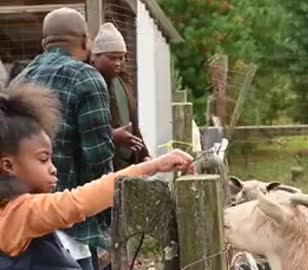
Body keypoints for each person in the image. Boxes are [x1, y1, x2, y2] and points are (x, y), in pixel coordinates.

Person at [0, 84, 195, 269]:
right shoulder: (20, 212)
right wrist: (152, 166)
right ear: (8, 166)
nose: (53, 169)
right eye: (43, 160)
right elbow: (79, 201)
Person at [7, 8, 116, 270]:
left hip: (27, 220)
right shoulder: (86, 76)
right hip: (76, 218)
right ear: (84, 40)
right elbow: (99, 154)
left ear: (45, 42)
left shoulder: (19, 80)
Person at [91, 22, 150, 171]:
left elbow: (133, 126)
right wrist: (112, 136)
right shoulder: (88, 85)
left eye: (121, 58)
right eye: (112, 58)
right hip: (103, 167)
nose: (118, 63)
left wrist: (144, 155)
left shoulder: (123, 83)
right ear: (95, 57)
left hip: (128, 164)